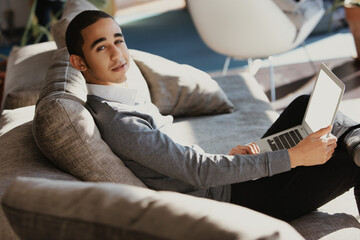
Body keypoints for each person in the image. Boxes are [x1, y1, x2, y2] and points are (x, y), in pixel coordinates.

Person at [65, 10, 360, 221]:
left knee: (303, 106)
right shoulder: (121, 123)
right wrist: (295, 157)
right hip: (238, 204)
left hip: (225, 185)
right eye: (101, 47)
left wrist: (236, 160)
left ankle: (355, 138)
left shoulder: (119, 98)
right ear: (78, 61)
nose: (117, 54)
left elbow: (181, 163)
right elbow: (197, 171)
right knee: (350, 162)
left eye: (118, 40)